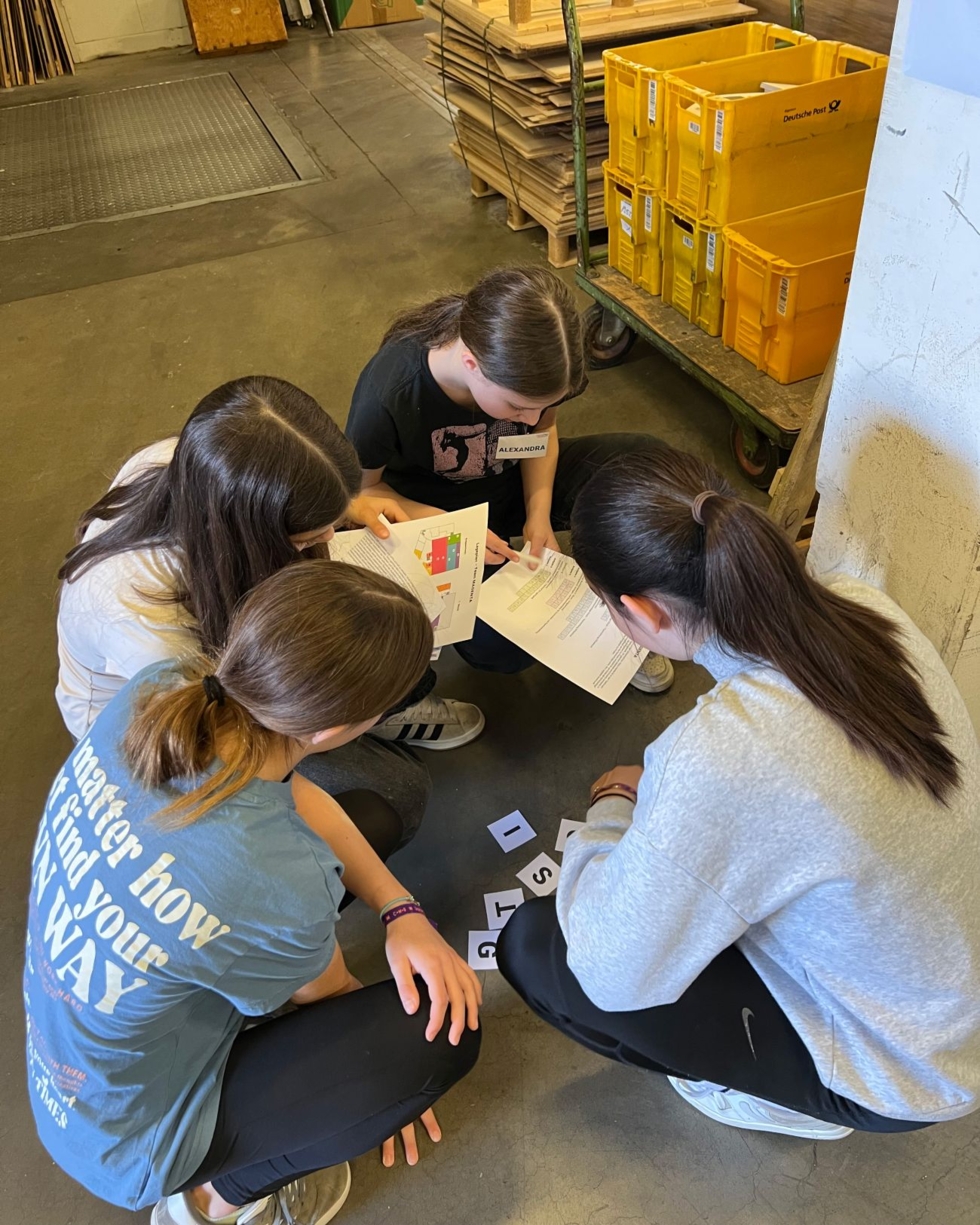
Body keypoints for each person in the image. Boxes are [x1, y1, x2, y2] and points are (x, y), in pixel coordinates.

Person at [497, 445, 980, 1140]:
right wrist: (675, 797)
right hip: (944, 988)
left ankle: (790, 1098)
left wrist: (613, 812)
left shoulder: (720, 755)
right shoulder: (864, 607)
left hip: (901, 1071)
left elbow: (608, 971)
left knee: (536, 945)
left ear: (641, 612)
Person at [26, 560, 482, 1225]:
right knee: (431, 1041)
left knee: (368, 818)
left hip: (77, 1070)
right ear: (329, 730)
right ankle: (211, 1202)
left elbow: (287, 792)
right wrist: (378, 1084)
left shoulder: (165, 688)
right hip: (137, 1143)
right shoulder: (275, 880)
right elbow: (328, 994)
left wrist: (399, 906)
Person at [56, 377, 486, 849]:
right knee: (396, 794)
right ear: (249, 529)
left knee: (390, 647)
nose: (327, 538)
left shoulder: (197, 461)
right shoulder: (139, 616)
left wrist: (347, 504)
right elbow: (221, 728)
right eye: (306, 535)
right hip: (180, 720)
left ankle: (375, 711)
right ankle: (373, 715)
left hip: (235, 656)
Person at [345, 265, 674, 693]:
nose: (532, 417)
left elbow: (539, 437)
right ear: (472, 364)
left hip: (508, 482)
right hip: (432, 513)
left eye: (545, 404)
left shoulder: (546, 373)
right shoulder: (391, 390)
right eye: (518, 406)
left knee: (649, 466)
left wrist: (538, 514)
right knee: (501, 646)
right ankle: (593, 633)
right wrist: (454, 529)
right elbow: (362, 491)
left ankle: (628, 626)